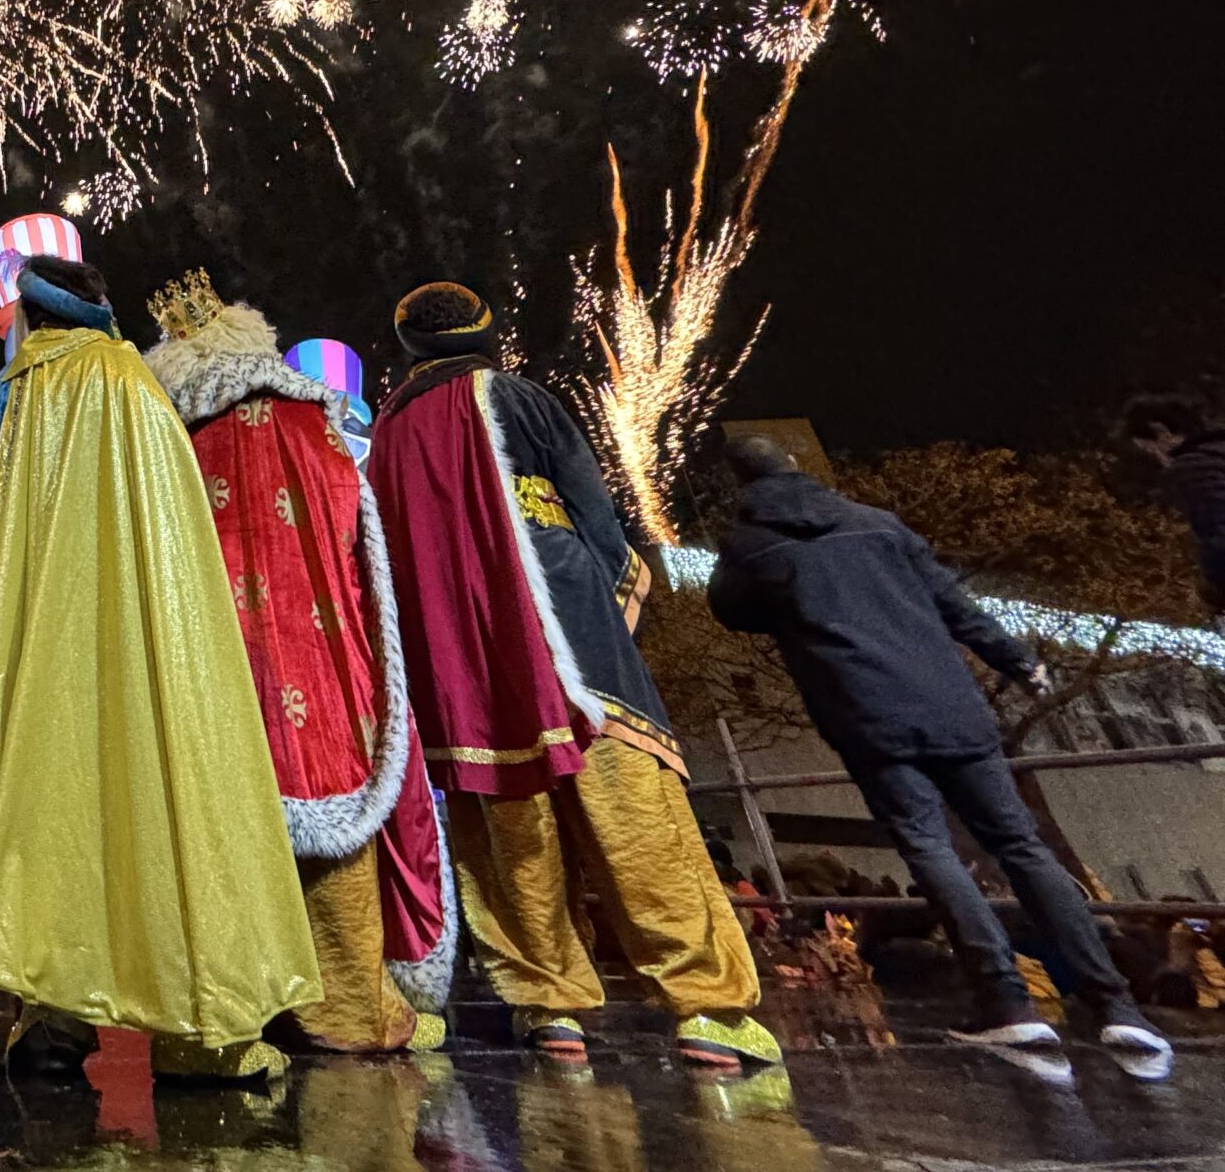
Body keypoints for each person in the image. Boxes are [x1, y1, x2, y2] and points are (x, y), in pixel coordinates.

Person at [367, 281, 775, 1069]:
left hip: (462, 666)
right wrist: (618, 600)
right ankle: (708, 1008)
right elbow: (598, 516)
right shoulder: (518, 397)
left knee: (510, 833)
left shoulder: (388, 431)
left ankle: (548, 1008)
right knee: (635, 815)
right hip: (572, 638)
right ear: (485, 334)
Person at [0, 254, 320, 1082]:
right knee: (161, 794)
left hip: (47, 634)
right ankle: (197, 1028)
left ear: (32, 320)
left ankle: (52, 1019)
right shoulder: (143, 390)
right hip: (153, 636)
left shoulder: (11, 399)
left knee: (55, 803)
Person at [708, 433, 1171, 1066]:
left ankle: (1007, 1004)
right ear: (795, 467)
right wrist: (1016, 661)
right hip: (952, 705)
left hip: (865, 712)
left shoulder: (752, 543)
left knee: (928, 846)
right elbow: (954, 604)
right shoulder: (880, 525)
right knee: (1022, 847)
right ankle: (1117, 1006)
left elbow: (730, 610)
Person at [140, 269, 455, 1054]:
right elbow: (363, 547)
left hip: (213, 668)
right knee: (335, 834)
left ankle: (229, 1018)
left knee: (219, 836)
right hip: (321, 663)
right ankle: (350, 1007)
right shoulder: (315, 417)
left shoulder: (163, 432)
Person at [1121, 395, 1225, 623]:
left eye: (1150, 449)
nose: (1158, 458)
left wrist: (1217, 590)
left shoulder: (1195, 465)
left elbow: (1218, 527)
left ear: (1160, 430)